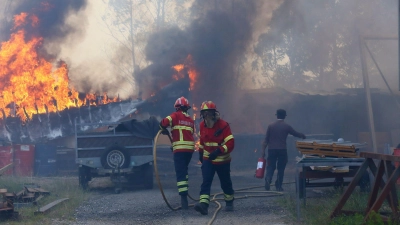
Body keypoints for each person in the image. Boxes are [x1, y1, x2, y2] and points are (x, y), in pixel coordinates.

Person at [194, 101, 235, 215]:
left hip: (222, 160)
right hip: (208, 159)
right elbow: (202, 140)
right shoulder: (202, 125)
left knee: (225, 182)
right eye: (204, 113)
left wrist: (219, 150)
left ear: (214, 113)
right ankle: (204, 205)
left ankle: (229, 202)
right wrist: (201, 153)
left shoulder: (223, 125)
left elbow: (231, 143)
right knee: (206, 181)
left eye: (209, 113)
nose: (207, 116)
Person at [160, 96, 195, 210]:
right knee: (184, 171)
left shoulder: (175, 116)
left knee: (180, 174)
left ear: (177, 108)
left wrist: (162, 127)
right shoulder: (190, 120)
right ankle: (185, 196)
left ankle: (184, 200)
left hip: (180, 151)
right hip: (189, 150)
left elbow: (164, 122)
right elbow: (187, 134)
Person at [261, 109, 306, 191]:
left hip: (271, 150)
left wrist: (263, 151)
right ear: (284, 116)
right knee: (281, 168)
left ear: (277, 115)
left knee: (270, 166)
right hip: (282, 150)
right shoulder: (286, 126)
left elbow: (266, 140)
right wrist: (302, 135)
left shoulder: (270, 126)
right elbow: (295, 133)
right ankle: (278, 185)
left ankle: (268, 178)